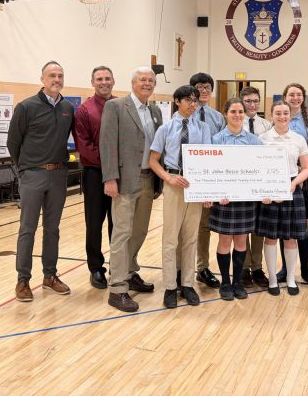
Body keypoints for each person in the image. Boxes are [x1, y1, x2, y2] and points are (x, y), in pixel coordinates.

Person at [8, 61, 75, 303]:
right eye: (52, 75)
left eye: (60, 75)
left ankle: (50, 276)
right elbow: (13, 142)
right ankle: (23, 280)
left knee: (52, 229)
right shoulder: (26, 107)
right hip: (32, 175)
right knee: (28, 229)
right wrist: (24, 170)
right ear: (42, 79)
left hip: (58, 176)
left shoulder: (67, 108)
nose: (56, 79)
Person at [100, 67, 163, 312]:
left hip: (148, 179)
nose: (147, 83)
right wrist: (110, 179)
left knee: (140, 231)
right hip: (125, 180)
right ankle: (117, 288)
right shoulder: (116, 107)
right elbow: (107, 144)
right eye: (142, 80)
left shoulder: (155, 111)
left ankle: (129, 271)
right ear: (133, 83)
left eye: (151, 80)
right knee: (122, 233)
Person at [149, 85, 211, 309]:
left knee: (191, 237)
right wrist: (168, 178)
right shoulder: (165, 128)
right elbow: (153, 160)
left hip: (195, 184)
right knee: (170, 238)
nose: (193, 105)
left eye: (196, 101)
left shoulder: (203, 128)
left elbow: (208, 159)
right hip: (174, 182)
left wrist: (206, 190)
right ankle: (169, 286)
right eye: (188, 100)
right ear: (177, 101)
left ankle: (187, 284)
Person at [208, 98, 262, 301]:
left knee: (241, 241)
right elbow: (211, 170)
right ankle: (225, 282)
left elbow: (259, 170)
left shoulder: (254, 141)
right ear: (225, 114)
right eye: (233, 111)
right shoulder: (216, 140)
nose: (237, 115)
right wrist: (216, 193)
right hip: (224, 199)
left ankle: (238, 282)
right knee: (224, 241)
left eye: (240, 112)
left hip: (245, 199)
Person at [258, 101, 308, 296]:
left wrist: (293, 183)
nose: (282, 117)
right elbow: (257, 168)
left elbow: (306, 168)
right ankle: (272, 279)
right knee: (270, 237)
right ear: (271, 115)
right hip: (269, 189)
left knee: (290, 238)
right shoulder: (262, 139)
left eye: (285, 113)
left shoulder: (298, 139)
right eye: (278, 113)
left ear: (290, 115)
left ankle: (290, 278)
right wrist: (264, 191)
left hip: (291, 188)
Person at [72, 65, 115, 290]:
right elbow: (84, 146)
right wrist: (109, 165)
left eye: (107, 78)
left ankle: (118, 265)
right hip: (95, 174)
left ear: (113, 81)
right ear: (92, 82)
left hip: (119, 174)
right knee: (94, 223)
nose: (104, 82)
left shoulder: (122, 105)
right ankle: (96, 268)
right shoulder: (83, 110)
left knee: (119, 223)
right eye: (99, 79)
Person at [276, 83, 308, 286]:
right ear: (285, 97)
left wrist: (301, 176)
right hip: (281, 178)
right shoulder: (278, 118)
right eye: (291, 94)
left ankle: (305, 269)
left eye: (299, 94)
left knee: (302, 226)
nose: (295, 98)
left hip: (303, 177)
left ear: (303, 98)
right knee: (284, 224)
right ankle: (286, 269)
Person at [189, 72, 226, 289]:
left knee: (207, 224)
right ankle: (190, 268)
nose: (204, 91)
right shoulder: (185, 115)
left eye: (207, 88)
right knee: (190, 227)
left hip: (212, 177)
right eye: (199, 87)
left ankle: (205, 267)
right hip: (190, 178)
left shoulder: (218, 117)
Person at [239, 86, 271, 288]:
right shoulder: (235, 121)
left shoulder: (266, 125)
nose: (252, 105)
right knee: (243, 226)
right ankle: (243, 268)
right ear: (242, 102)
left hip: (259, 180)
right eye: (248, 101)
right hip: (241, 180)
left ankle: (257, 267)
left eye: (255, 101)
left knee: (258, 227)